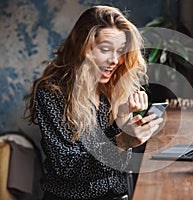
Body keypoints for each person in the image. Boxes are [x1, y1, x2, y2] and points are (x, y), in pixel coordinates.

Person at [24, 5, 163, 200]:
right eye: (105, 49)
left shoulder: (109, 88)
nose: (115, 60)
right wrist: (122, 141)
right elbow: (68, 167)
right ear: (82, 48)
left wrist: (122, 123)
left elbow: (115, 161)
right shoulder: (51, 93)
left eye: (121, 51)